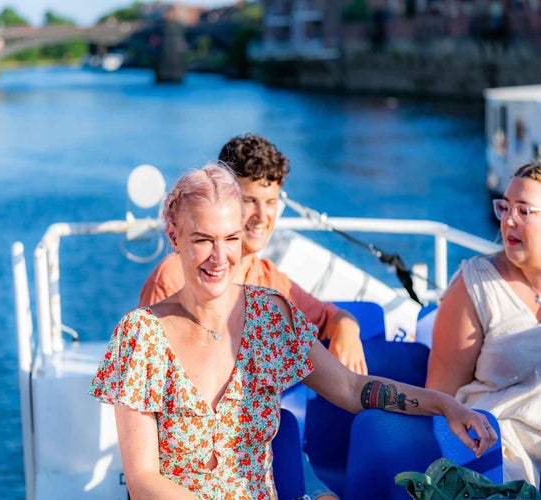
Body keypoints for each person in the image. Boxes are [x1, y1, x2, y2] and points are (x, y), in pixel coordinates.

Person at [90, 164, 496, 500]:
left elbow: (352, 389)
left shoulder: (270, 316)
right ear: (174, 237)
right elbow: (143, 481)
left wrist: (444, 405)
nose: (219, 257)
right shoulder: (141, 335)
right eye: (203, 240)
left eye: (230, 238)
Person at [139, 133, 367, 375]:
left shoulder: (270, 281)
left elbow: (329, 317)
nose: (261, 216)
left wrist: (346, 329)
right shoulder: (174, 277)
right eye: (249, 201)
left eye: (270, 202)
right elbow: (150, 376)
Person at [426, 162, 541, 488]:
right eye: (504, 206)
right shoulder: (475, 284)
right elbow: (439, 396)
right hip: (493, 454)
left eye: (524, 210)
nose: (508, 220)